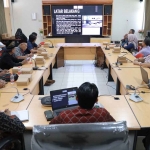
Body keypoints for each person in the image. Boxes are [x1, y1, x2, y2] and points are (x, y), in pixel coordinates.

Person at [50, 82, 115, 124]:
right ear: (96, 100)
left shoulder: (64, 116)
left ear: (76, 98)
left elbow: (49, 127)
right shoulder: (103, 113)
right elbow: (115, 125)